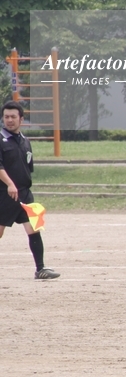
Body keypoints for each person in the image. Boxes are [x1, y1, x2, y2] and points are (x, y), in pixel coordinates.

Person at [0, 101, 59, 280]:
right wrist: (10, 184)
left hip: (24, 193)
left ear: (21, 119)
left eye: (13, 117)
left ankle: (40, 269)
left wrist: (22, 185)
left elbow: (27, 167)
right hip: (4, 194)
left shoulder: (25, 141)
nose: (9, 120)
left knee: (33, 229)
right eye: (6, 117)